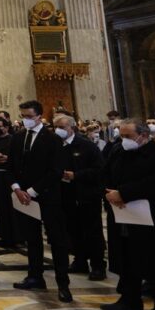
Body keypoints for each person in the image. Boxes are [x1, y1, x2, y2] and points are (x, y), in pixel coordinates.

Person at [101, 122, 155, 310]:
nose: (124, 140)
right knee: (128, 258)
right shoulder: (119, 152)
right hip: (124, 215)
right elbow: (107, 175)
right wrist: (110, 194)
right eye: (121, 136)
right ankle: (130, 300)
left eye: (128, 135)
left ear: (143, 135)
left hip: (154, 218)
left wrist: (124, 193)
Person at [7, 100, 72, 302]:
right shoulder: (18, 138)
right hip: (24, 197)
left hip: (47, 195)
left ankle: (63, 283)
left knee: (57, 240)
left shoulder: (52, 139)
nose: (25, 119)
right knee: (31, 239)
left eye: (28, 116)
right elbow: (11, 165)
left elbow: (56, 170)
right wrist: (17, 188)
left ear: (39, 116)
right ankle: (35, 276)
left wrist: (32, 191)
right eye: (23, 116)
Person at [54, 114, 106, 281]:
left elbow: (99, 170)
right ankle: (80, 260)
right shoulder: (56, 146)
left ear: (72, 127)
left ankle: (98, 265)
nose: (58, 131)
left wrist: (76, 175)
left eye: (62, 127)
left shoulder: (86, 146)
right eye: (56, 127)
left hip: (87, 195)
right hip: (66, 195)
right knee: (73, 230)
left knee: (92, 231)